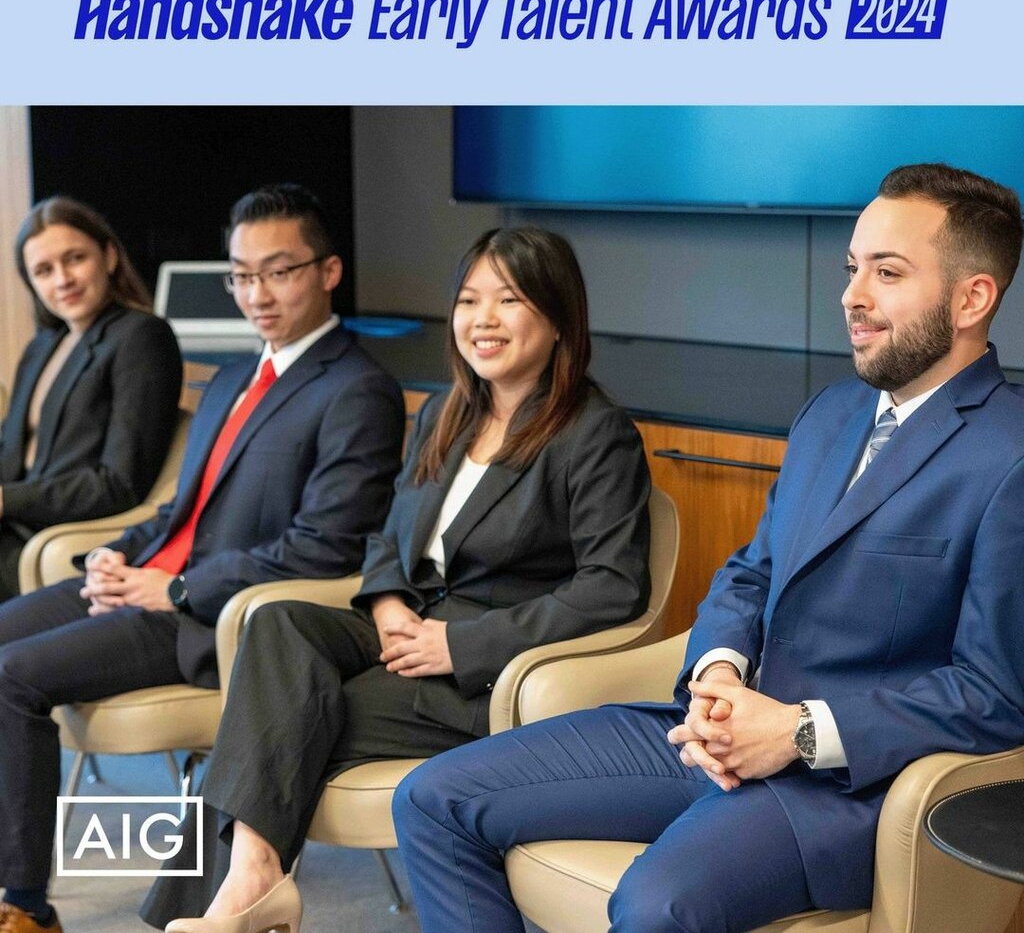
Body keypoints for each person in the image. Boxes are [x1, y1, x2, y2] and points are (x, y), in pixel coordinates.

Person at [393, 163, 1024, 933]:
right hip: (707, 733)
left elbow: (993, 694)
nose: (852, 296)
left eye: (886, 273)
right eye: (851, 267)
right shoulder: (829, 415)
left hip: (841, 788)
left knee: (655, 904)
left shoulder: (1010, 455)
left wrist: (795, 731)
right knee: (431, 798)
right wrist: (718, 673)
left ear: (972, 298)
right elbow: (751, 573)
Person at [144, 226, 652, 933]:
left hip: (479, 672)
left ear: (560, 317)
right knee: (278, 623)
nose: (483, 319)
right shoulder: (447, 414)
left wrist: (461, 646)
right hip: (403, 627)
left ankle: (242, 893)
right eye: (469, 300)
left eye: (508, 300)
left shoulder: (595, 433)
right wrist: (385, 602)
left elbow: (612, 586)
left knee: (270, 725)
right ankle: (253, 882)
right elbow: (387, 532)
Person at [0, 184, 405, 933]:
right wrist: (114, 555)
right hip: (152, 582)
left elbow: (327, 544)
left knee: (12, 676)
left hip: (205, 616)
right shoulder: (231, 378)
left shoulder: (359, 389)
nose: (258, 294)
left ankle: (22, 905)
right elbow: (178, 510)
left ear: (328, 271)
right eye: (242, 276)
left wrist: (177, 587)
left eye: (278, 272)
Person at [0, 196, 182, 600]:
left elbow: (119, 484)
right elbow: (10, 450)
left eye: (75, 258)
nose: (62, 279)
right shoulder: (43, 345)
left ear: (109, 257)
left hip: (50, 534)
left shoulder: (141, 337)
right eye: (44, 270)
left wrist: (5, 500)